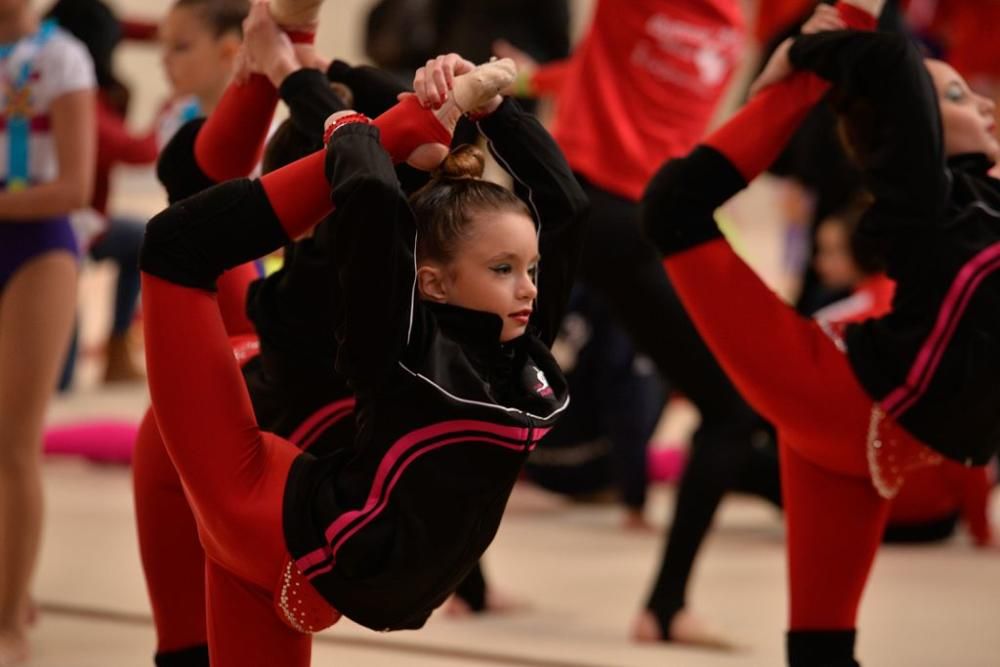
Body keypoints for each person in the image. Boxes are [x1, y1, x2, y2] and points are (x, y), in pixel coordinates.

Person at [139, 47, 588, 665]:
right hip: (328, 569)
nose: (530, 288)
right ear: (430, 281)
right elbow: (558, 205)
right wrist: (492, 115)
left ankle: (299, 63)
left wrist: (361, 110)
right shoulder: (511, 358)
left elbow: (376, 193)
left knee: (173, 246)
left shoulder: (407, 346)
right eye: (505, 270)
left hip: (275, 527)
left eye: (529, 269)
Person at [640, 0, 1000, 663]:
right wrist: (803, 58)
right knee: (673, 208)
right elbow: (891, 64)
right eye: (955, 96)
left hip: (870, 426)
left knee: (821, 647)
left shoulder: (984, 203)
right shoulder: (930, 205)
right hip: (848, 401)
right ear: (916, 131)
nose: (983, 105)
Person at [0, 2, 95, 662]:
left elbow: (73, 186)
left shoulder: (64, 58)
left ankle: (8, 615)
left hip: (36, 248)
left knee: (13, 442)